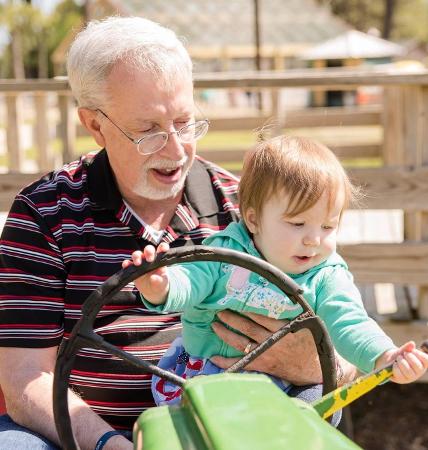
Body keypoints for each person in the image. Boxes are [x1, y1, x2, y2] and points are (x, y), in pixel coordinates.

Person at [0, 17, 356, 450]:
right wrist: (111, 445)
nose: (175, 149)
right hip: (91, 432)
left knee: (314, 403)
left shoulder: (247, 210)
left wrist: (314, 365)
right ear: (95, 125)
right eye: (148, 131)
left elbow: (343, 343)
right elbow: (25, 379)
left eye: (185, 123)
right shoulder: (44, 212)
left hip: (228, 425)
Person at [125, 135, 428, 408]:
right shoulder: (226, 254)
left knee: (312, 409)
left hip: (286, 383)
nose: (313, 239)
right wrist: (162, 286)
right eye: (297, 223)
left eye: (328, 226)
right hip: (209, 372)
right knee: (197, 429)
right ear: (254, 220)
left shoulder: (325, 274)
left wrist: (386, 356)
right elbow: (192, 280)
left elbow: (350, 321)